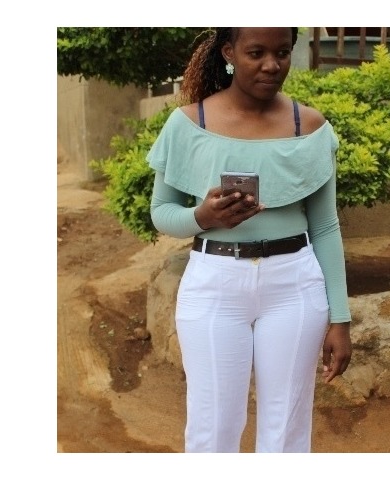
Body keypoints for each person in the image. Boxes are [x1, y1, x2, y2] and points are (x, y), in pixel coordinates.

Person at [147, 27, 352, 453]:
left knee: (287, 427)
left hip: (294, 285)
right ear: (229, 52)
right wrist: (202, 217)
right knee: (212, 427)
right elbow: (162, 211)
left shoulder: (310, 127)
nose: (271, 65)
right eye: (256, 53)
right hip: (214, 284)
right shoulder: (189, 124)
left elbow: (325, 227)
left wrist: (341, 317)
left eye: (282, 52)